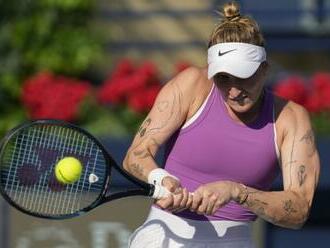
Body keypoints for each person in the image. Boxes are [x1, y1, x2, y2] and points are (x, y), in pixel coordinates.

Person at [123, 1, 320, 247]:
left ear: (264, 70)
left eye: (243, 76)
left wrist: (237, 192)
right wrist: (161, 179)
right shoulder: (191, 84)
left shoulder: (292, 118)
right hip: (162, 235)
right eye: (223, 78)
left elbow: (299, 210)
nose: (234, 90)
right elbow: (136, 155)